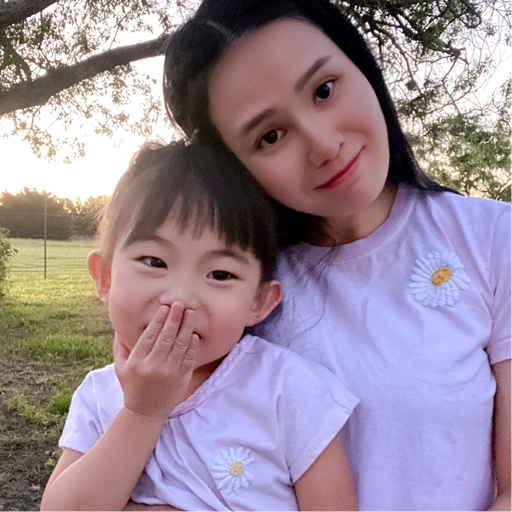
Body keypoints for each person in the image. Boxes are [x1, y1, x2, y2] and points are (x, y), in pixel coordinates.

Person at [162, 1, 511, 510]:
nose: (324, 144)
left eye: (324, 90)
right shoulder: (229, 288)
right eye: (270, 136)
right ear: (233, 166)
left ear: (362, 67)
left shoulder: (493, 239)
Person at [40, 140, 359, 511]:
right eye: (154, 262)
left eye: (220, 274)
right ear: (105, 277)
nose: (180, 298)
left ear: (259, 302)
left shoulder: (289, 390)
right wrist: (142, 414)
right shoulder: (100, 396)